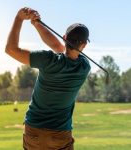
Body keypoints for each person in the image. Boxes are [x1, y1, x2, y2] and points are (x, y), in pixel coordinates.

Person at [5, 7, 91, 150]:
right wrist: (37, 24)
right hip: (60, 134)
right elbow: (58, 47)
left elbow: (11, 49)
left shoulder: (47, 60)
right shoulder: (84, 67)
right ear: (84, 45)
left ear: (64, 37)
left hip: (34, 131)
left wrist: (19, 19)